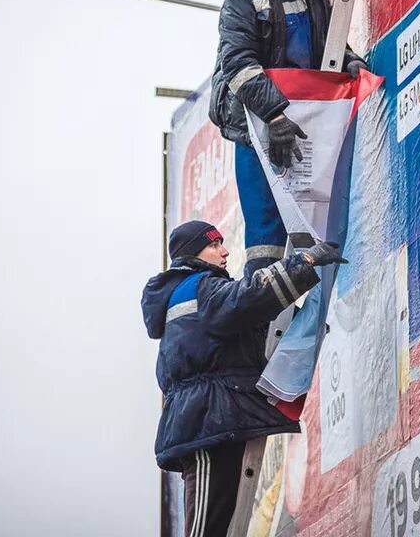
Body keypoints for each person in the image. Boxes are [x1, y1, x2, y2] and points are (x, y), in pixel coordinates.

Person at [142, 219, 347, 537]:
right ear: (193, 252)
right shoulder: (198, 288)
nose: (224, 252)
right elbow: (246, 298)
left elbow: (241, 324)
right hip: (206, 421)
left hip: (212, 419)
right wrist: (303, 262)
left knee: (217, 522)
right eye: (213, 245)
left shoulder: (193, 293)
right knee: (205, 528)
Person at [210, 0, 368, 276]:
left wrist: (352, 63)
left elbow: (330, 44)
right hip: (256, 128)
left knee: (313, 220)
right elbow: (237, 64)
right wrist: (275, 116)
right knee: (266, 232)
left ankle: (309, 308)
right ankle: (263, 317)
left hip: (308, 124)